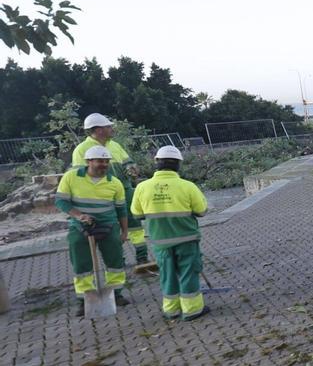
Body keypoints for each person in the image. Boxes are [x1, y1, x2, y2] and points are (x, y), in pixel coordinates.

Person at [130, 145, 210, 321]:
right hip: (187, 239)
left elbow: (136, 214)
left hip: (160, 241)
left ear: (157, 162)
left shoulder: (142, 188)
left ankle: (171, 310)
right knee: (188, 273)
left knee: (167, 274)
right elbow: (202, 210)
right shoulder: (187, 186)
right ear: (178, 164)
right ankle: (192, 310)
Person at [57, 146, 130, 316]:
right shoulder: (71, 177)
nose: (104, 164)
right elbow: (61, 202)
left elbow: (122, 210)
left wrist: (124, 232)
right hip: (79, 226)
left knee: (115, 262)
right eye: (100, 161)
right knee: (81, 263)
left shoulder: (115, 183)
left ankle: (116, 294)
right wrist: (79, 215)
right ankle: (85, 300)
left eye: (106, 161)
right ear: (89, 161)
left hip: (109, 225)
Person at [71, 113, 149, 267]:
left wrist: (131, 169)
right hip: (103, 196)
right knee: (112, 228)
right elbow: (80, 176)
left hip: (125, 190)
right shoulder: (82, 150)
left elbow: (128, 162)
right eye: (108, 126)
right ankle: (118, 261)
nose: (112, 129)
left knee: (135, 224)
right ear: (99, 130)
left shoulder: (114, 145)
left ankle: (142, 258)